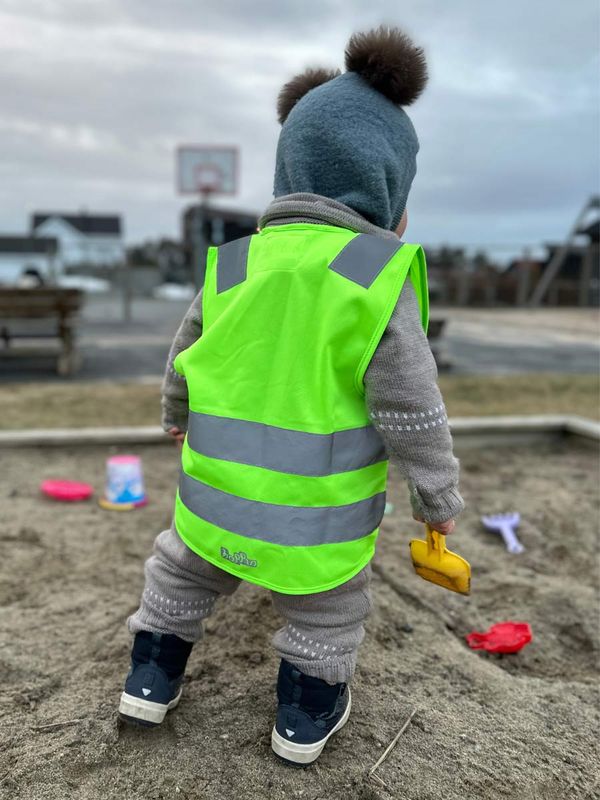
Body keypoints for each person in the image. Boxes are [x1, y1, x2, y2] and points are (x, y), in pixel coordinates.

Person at [119, 26, 464, 766]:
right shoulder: (374, 273)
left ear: (290, 172)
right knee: (328, 609)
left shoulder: (238, 261)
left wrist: (174, 417)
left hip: (216, 496)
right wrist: (436, 492)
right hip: (318, 520)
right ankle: (303, 716)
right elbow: (410, 402)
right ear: (386, 191)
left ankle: (150, 674)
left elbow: (185, 353)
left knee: (180, 571)